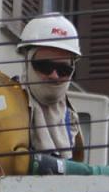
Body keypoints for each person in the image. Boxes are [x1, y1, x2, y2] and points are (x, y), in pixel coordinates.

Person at [17, 13, 86, 162]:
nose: (54, 76)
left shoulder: (70, 119)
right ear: (27, 61)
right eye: (45, 66)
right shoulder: (6, 105)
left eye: (63, 70)